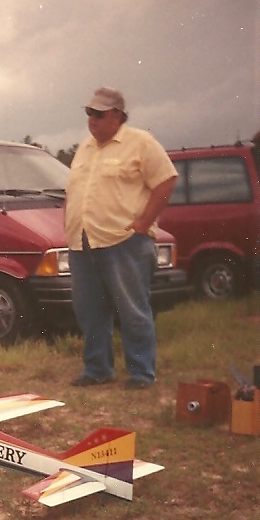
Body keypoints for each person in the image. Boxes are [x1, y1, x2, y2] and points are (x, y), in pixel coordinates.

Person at [63, 87, 178, 390]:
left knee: (132, 309)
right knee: (89, 311)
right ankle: (97, 369)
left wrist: (144, 223)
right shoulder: (85, 148)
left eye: (99, 114)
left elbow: (166, 180)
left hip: (124, 242)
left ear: (117, 115)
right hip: (83, 242)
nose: (92, 119)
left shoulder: (141, 142)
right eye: (89, 113)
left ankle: (141, 373)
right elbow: (74, 191)